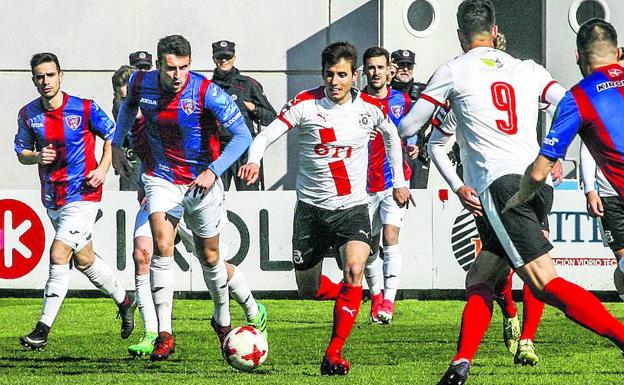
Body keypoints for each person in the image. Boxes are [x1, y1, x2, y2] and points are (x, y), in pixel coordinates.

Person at [401, 2, 624, 384]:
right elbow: (564, 101)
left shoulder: (454, 69)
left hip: (503, 186)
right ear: (495, 29)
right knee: (481, 276)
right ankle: (460, 364)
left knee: (543, 280)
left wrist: (439, 113)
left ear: (460, 36)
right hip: (537, 185)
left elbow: (408, 126)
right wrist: (553, 149)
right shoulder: (529, 69)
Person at [239, 42, 412, 375]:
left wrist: (399, 181)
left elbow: (392, 137)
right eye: (330, 75)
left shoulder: (371, 108)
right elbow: (265, 136)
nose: (335, 82)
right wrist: (254, 159)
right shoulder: (304, 104)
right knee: (308, 289)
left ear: (354, 76)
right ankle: (353, 295)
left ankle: (334, 353)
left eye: (342, 75)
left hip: (352, 208)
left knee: (354, 269)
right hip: (311, 210)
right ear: (323, 74)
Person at [112, 35, 266, 361]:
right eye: (170, 68)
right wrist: (115, 144)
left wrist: (213, 171)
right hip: (161, 178)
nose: (178, 75)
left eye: (183, 67)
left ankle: (222, 319)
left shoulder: (206, 91)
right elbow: (128, 106)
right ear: (158, 66)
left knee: (210, 258)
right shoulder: (141, 83)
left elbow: (243, 135)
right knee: (160, 245)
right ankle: (164, 334)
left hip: (202, 182)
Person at [429, 31, 560, 366]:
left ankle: (526, 339)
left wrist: (551, 153)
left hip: (523, 182)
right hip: (487, 187)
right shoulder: (464, 95)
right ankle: (509, 311)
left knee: (530, 255)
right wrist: (459, 186)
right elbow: (436, 144)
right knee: (498, 269)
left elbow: (553, 111)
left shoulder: (519, 81)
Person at [503, 17, 624, 375]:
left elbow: (540, 171)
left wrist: (519, 198)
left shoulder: (579, 97)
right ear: (618, 53)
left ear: (577, 57)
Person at [14, 52, 137, 351]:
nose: (46, 81)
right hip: (52, 197)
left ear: (60, 75)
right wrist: (35, 157)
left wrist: (103, 168)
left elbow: (113, 135)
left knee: (59, 254)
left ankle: (42, 329)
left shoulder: (83, 108)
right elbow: (21, 152)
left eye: (50, 75)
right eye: (40, 76)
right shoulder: (28, 114)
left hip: (83, 194)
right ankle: (125, 300)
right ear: (34, 80)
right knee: (84, 260)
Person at [361, 46, 412, 324]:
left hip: (395, 182)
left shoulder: (401, 100)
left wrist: (415, 146)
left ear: (388, 70)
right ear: (365, 71)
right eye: (371, 67)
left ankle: (388, 302)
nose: (376, 72)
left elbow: (412, 128)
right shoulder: (357, 102)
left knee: (391, 236)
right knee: (368, 245)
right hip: (364, 185)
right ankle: (376, 296)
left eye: (380, 67)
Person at [211, 40, 277, 191]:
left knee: (249, 195)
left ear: (234, 58)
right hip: (218, 150)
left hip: (244, 150)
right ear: (214, 58)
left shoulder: (248, 84)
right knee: (215, 196)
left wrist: (252, 107)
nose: (224, 60)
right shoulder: (208, 87)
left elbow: (271, 118)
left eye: (227, 57)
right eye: (220, 57)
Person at [579, 142, 624, 302]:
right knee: (623, 261)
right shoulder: (601, 117)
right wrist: (589, 189)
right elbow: (588, 147)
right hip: (609, 196)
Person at [390, 49, 430, 189]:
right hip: (390, 156)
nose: (406, 69)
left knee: (417, 202)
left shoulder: (424, 91)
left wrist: (427, 143)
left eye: (410, 66)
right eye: (401, 66)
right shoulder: (383, 90)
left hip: (417, 156)